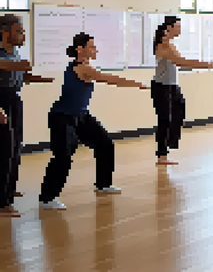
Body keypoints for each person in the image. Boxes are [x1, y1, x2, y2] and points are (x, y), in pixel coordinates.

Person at [39, 32, 150, 210]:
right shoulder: (82, 68)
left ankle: (103, 184)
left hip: (81, 115)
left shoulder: (83, 66)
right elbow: (109, 79)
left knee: (105, 144)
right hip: (62, 117)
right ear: (80, 49)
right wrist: (137, 83)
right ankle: (46, 198)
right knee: (63, 156)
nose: (95, 49)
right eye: (91, 46)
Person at [0, 14, 53, 218]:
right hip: (2, 102)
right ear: (5, 33)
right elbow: (7, 67)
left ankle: (8, 189)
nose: (22, 35)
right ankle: (2, 203)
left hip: (14, 100)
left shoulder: (16, 54)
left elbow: (21, 74)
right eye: (19, 31)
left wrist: (40, 78)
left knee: (15, 146)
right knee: (4, 150)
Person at [152, 16, 213, 165]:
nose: (180, 30)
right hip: (161, 87)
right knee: (164, 120)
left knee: (179, 110)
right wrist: (205, 65)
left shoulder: (171, 45)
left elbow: (182, 61)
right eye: (178, 26)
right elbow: (181, 62)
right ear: (169, 28)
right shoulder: (163, 45)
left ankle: (169, 144)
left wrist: (202, 65)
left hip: (172, 85)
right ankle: (162, 155)